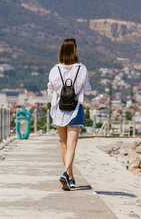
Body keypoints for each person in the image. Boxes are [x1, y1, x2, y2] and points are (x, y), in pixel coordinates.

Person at [47, 38, 91, 191]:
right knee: (72, 145)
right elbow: (87, 89)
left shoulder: (54, 70)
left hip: (58, 110)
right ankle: (66, 174)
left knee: (64, 145)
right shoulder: (82, 69)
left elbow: (50, 91)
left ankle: (70, 178)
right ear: (74, 51)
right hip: (75, 109)